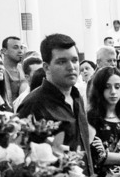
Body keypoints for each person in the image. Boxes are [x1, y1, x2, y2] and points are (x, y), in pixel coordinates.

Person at [16, 34, 96, 167]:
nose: (71, 67)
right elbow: (23, 158)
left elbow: (83, 148)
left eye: (75, 60)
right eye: (62, 62)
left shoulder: (76, 96)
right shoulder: (34, 104)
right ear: (46, 67)